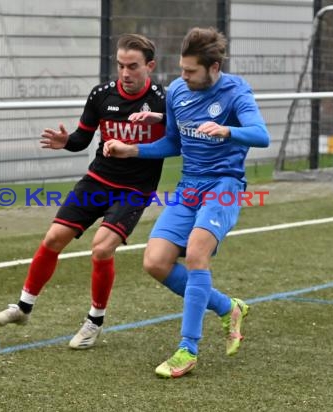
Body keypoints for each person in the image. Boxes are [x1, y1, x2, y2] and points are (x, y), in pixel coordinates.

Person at [104, 27, 270, 378]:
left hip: (224, 185)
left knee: (196, 253)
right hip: (188, 187)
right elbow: (172, 143)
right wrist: (132, 150)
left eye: (191, 71)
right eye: (182, 69)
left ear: (213, 67)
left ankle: (187, 349)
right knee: (155, 262)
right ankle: (228, 307)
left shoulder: (236, 90)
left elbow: (261, 135)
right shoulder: (178, 91)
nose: (183, 77)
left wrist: (228, 130)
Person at [0, 34, 167, 349]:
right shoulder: (101, 95)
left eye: (133, 66)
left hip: (134, 189)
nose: (125, 72)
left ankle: (94, 321)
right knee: (54, 238)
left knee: (101, 249)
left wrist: (139, 143)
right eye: (121, 65)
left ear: (150, 66)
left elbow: (178, 139)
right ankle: (23, 308)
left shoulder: (164, 100)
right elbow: (81, 139)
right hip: (98, 180)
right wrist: (65, 141)